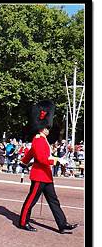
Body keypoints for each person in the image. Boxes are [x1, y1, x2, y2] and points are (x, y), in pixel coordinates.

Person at [19, 100, 78, 234]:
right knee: (31, 200)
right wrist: (57, 161)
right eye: (47, 127)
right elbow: (41, 159)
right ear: (41, 127)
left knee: (54, 201)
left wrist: (23, 161)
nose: (48, 129)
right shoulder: (38, 139)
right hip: (39, 175)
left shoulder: (42, 140)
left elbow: (31, 153)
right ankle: (23, 222)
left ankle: (62, 224)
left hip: (46, 176)